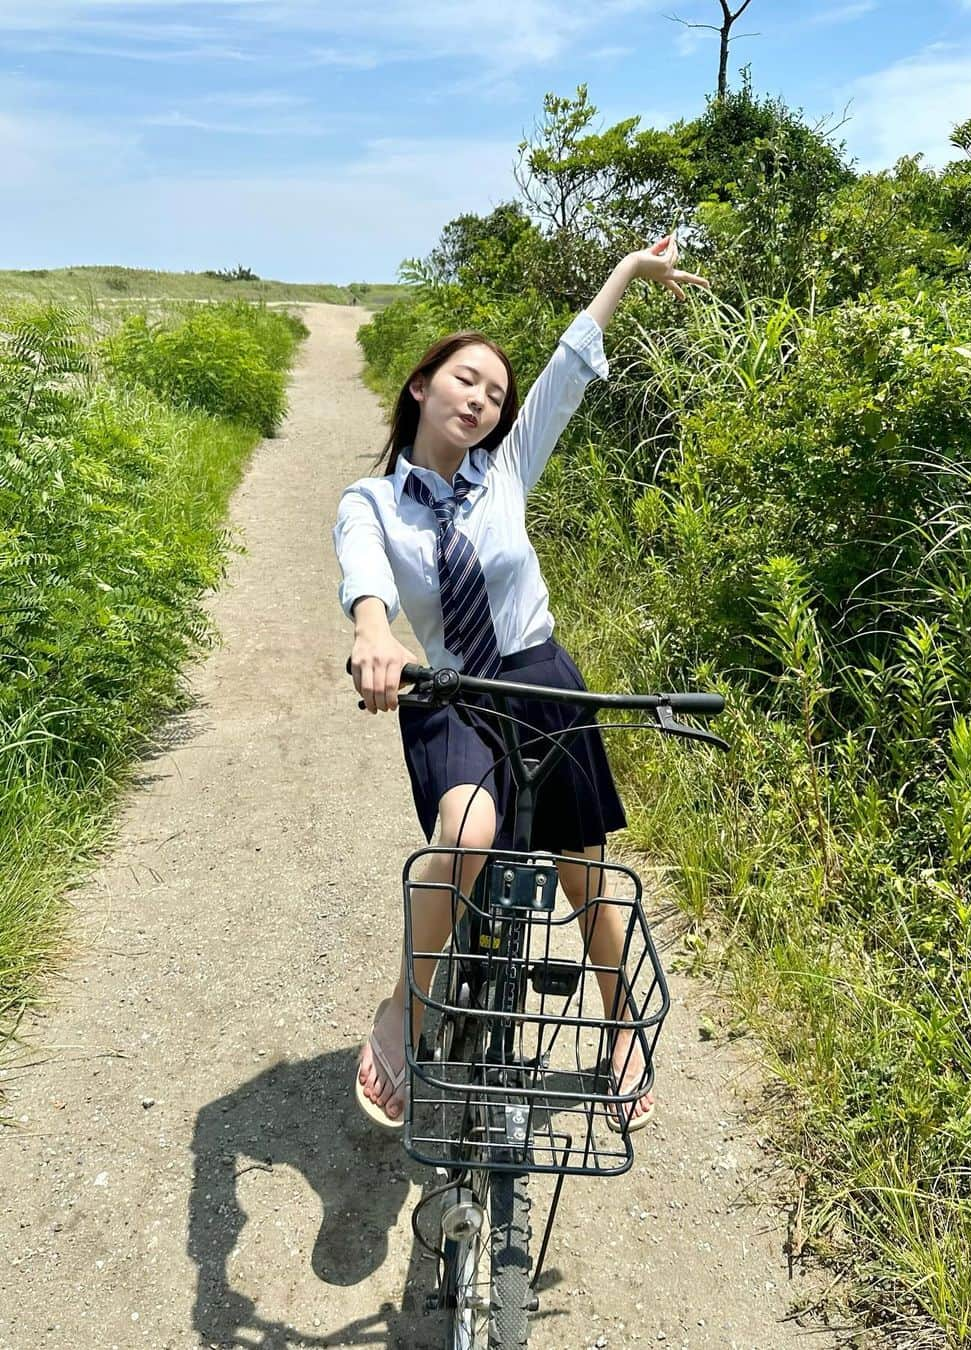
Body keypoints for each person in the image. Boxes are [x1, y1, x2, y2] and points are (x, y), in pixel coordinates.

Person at [332, 234, 709, 1133]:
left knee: (584, 870)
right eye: (468, 380)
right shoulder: (371, 503)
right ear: (423, 386)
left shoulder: (505, 474)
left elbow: (570, 366)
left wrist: (627, 273)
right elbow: (366, 583)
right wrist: (375, 633)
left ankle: (620, 1028)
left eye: (496, 394)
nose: (485, 399)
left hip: (540, 678)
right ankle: (405, 1008)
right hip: (449, 686)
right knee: (468, 831)